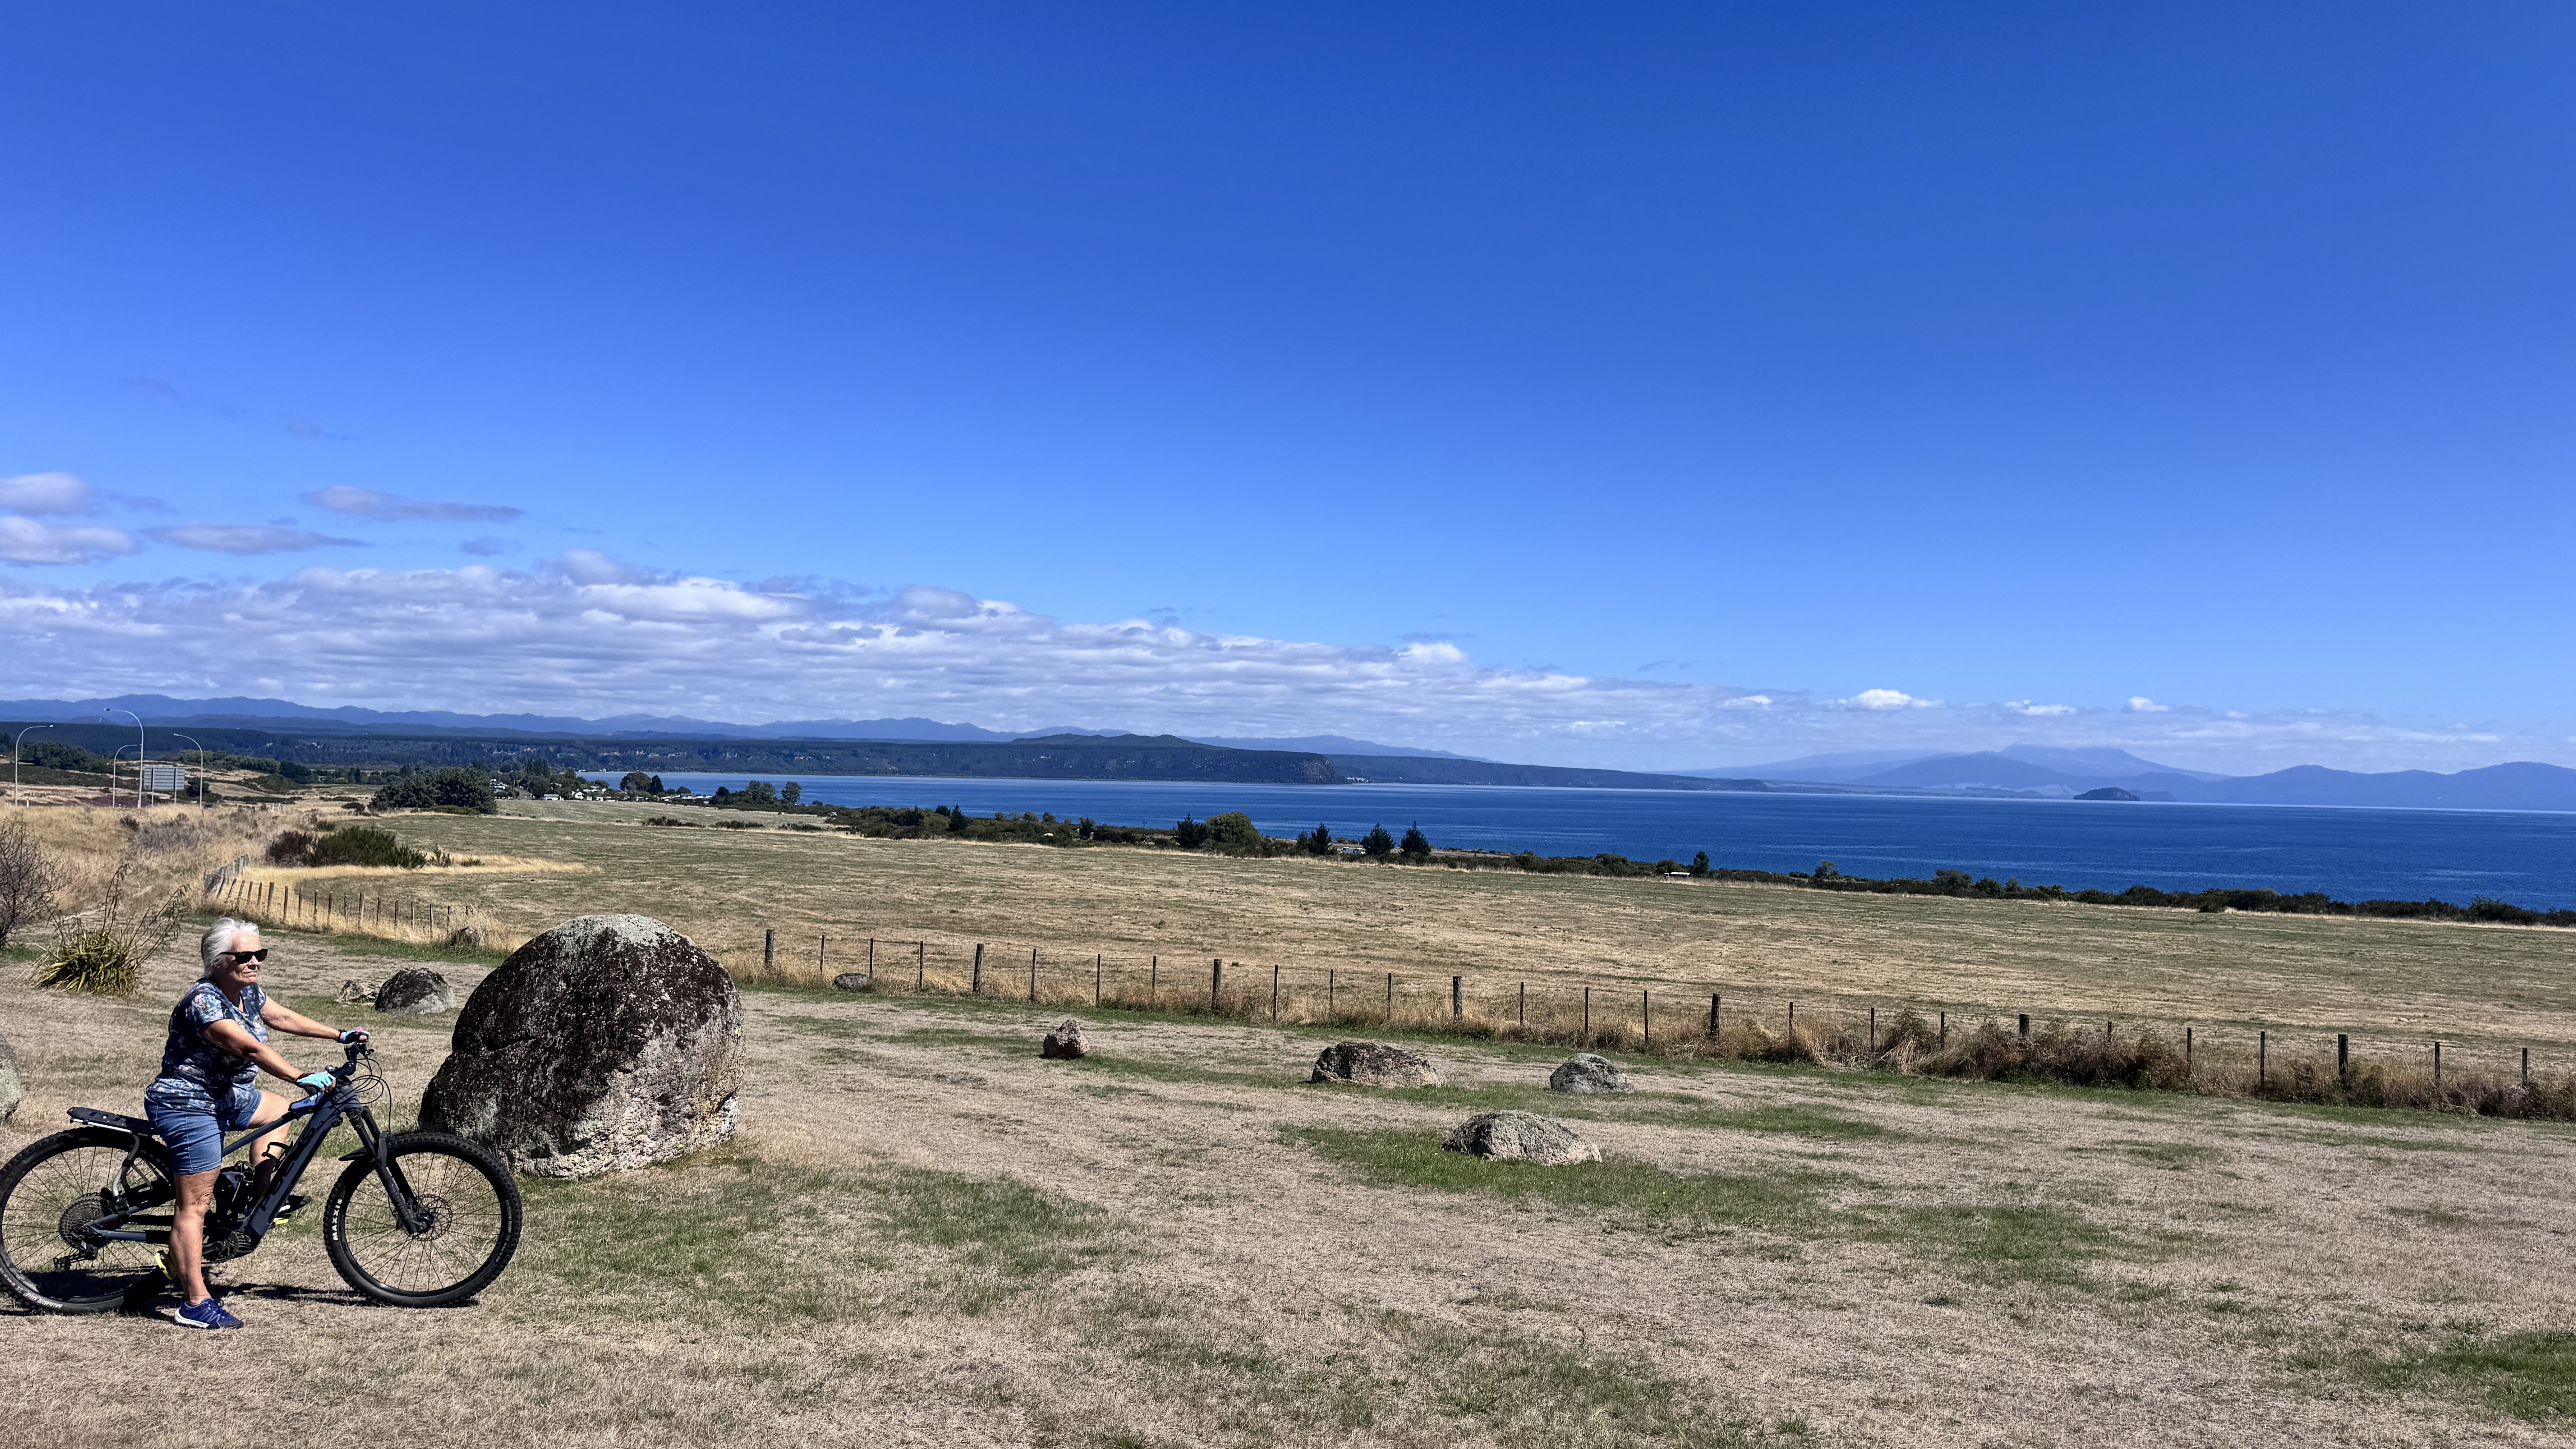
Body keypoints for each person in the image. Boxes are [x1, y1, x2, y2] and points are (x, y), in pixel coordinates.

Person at [143, 917, 368, 1330]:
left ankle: (263, 1201)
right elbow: (249, 1047)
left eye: (259, 953)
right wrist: (300, 1075)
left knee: (282, 1110)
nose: (255, 961)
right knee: (194, 1206)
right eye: (244, 955)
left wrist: (340, 1035)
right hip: (188, 1103)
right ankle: (194, 1303)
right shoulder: (204, 1001)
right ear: (217, 961)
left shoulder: (248, 992)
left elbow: (282, 1017)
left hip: (226, 1096)